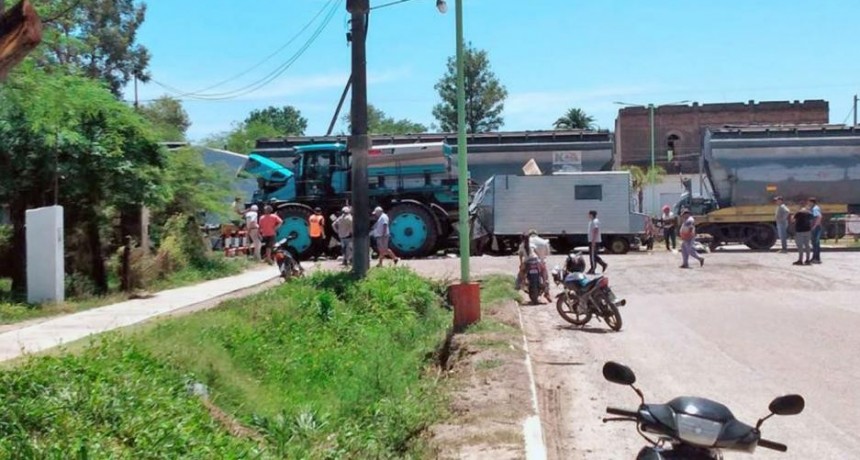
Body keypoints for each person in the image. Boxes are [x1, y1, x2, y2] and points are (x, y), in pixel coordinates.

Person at [528, 229, 552, 302]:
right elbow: (547, 253)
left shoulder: (526, 241)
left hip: (529, 263)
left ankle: (519, 286)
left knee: (522, 274)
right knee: (545, 277)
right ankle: (547, 293)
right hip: (541, 263)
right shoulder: (543, 242)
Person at [586, 210, 608, 275]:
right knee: (594, 255)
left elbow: (596, 230)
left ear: (592, 215)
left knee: (592, 256)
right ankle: (603, 264)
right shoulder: (592, 221)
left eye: (589, 214)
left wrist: (593, 240)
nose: (588, 215)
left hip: (594, 241)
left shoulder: (595, 221)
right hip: (593, 240)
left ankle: (593, 269)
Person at [809, 197, 823, 264]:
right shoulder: (814, 208)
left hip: (816, 228)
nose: (808, 203)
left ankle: (816, 258)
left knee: (815, 243)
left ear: (812, 202)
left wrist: (814, 226)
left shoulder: (815, 208)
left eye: (809, 202)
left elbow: (819, 217)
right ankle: (814, 257)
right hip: (816, 227)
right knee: (814, 243)